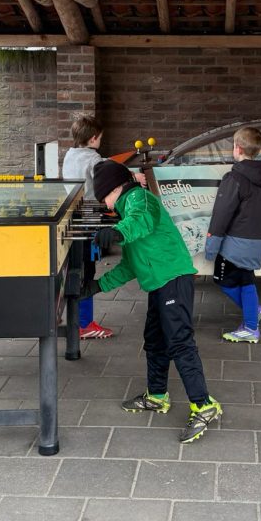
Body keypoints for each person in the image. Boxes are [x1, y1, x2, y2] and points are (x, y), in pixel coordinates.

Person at [84, 160, 222, 444]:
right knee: (155, 340)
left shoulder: (140, 199)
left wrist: (119, 232)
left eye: (103, 197)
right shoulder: (126, 211)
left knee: (179, 341)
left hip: (173, 278)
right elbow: (130, 264)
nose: (104, 204)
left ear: (114, 189)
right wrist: (98, 286)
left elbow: (140, 220)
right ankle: (157, 396)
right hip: (159, 283)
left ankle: (204, 405)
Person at [204, 126, 261, 343]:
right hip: (257, 240)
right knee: (246, 279)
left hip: (235, 244)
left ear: (238, 148)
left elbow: (221, 214)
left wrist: (211, 246)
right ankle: (253, 315)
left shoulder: (234, 178)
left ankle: (251, 323)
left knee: (223, 280)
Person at [61, 114, 114, 339]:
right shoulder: (94, 160)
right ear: (93, 139)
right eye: (100, 137)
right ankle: (84, 324)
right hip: (89, 220)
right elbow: (106, 183)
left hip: (71, 218)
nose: (100, 140)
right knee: (86, 271)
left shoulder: (70, 155)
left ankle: (73, 317)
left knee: (74, 268)